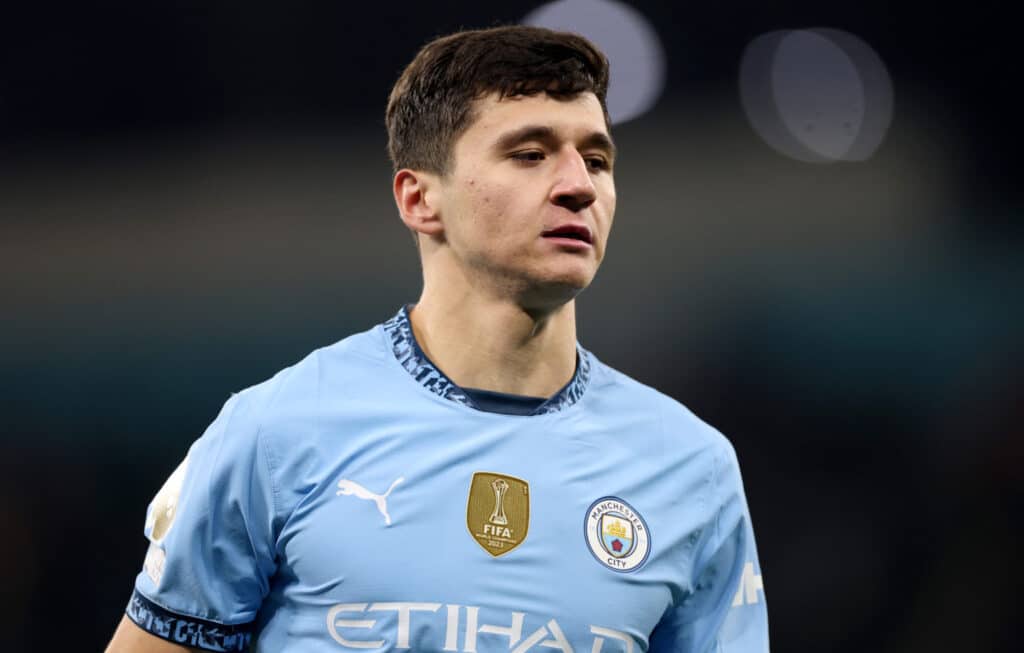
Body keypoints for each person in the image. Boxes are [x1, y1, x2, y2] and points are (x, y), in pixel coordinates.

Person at [105, 25, 768, 653]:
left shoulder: (691, 467)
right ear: (420, 199)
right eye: (530, 154)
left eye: (596, 158)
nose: (577, 186)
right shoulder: (275, 434)